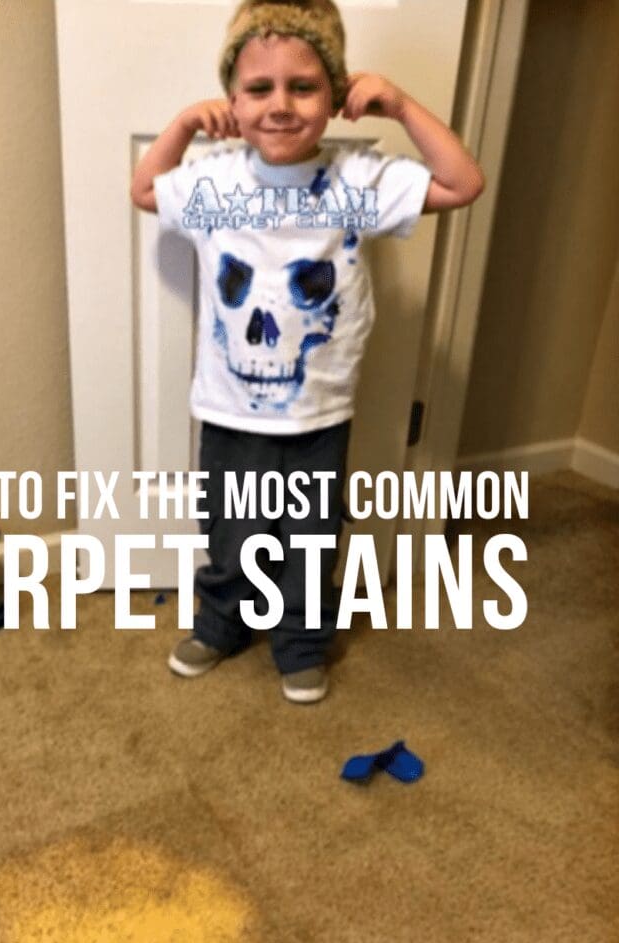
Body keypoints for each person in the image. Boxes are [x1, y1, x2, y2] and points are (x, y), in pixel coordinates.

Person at [130, 0, 484, 703]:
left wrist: (403, 105)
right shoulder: (214, 179)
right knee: (230, 529)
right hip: (229, 409)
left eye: (304, 86)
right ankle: (221, 623)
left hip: (319, 410)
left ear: (336, 97)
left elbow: (462, 182)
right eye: (259, 89)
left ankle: (300, 641)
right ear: (232, 98)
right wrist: (181, 126)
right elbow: (143, 189)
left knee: (310, 537)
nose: (280, 106)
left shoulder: (358, 183)